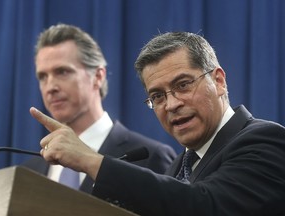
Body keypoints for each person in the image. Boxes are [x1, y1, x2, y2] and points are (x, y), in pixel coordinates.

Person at [29, 32, 285, 216]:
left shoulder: (266, 139)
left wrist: (92, 161)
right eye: (157, 96)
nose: (171, 104)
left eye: (183, 85)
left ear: (218, 81)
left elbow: (206, 206)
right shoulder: (178, 166)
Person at [23, 24, 176, 193]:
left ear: (97, 76)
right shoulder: (30, 170)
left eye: (62, 72)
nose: (50, 87)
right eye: (42, 77)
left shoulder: (151, 157)